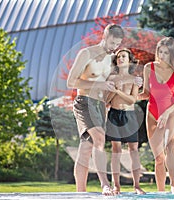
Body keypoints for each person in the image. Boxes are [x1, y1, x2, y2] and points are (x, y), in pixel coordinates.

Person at [67, 24, 124, 196]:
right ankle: (105, 185)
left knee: (86, 148)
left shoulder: (112, 59)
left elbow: (111, 84)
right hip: (84, 101)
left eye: (117, 44)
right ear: (104, 37)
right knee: (99, 138)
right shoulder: (86, 54)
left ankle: (80, 193)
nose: (114, 47)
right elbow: (71, 82)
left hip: (100, 106)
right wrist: (99, 84)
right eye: (112, 43)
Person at [138, 37, 174, 194]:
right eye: (160, 52)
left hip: (171, 112)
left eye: (166, 52)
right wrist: (133, 96)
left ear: (172, 54)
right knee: (158, 158)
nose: (162, 55)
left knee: (169, 146)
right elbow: (146, 93)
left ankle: (173, 184)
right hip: (152, 113)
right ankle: (161, 193)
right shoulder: (148, 67)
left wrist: (167, 113)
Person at [105, 48, 146, 195]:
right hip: (114, 115)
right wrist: (112, 91)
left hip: (129, 115)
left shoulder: (134, 79)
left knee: (133, 150)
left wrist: (117, 91)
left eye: (123, 56)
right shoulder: (111, 78)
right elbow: (106, 101)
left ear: (129, 61)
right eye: (118, 57)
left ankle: (137, 186)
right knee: (116, 151)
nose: (120, 58)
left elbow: (132, 100)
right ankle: (116, 186)